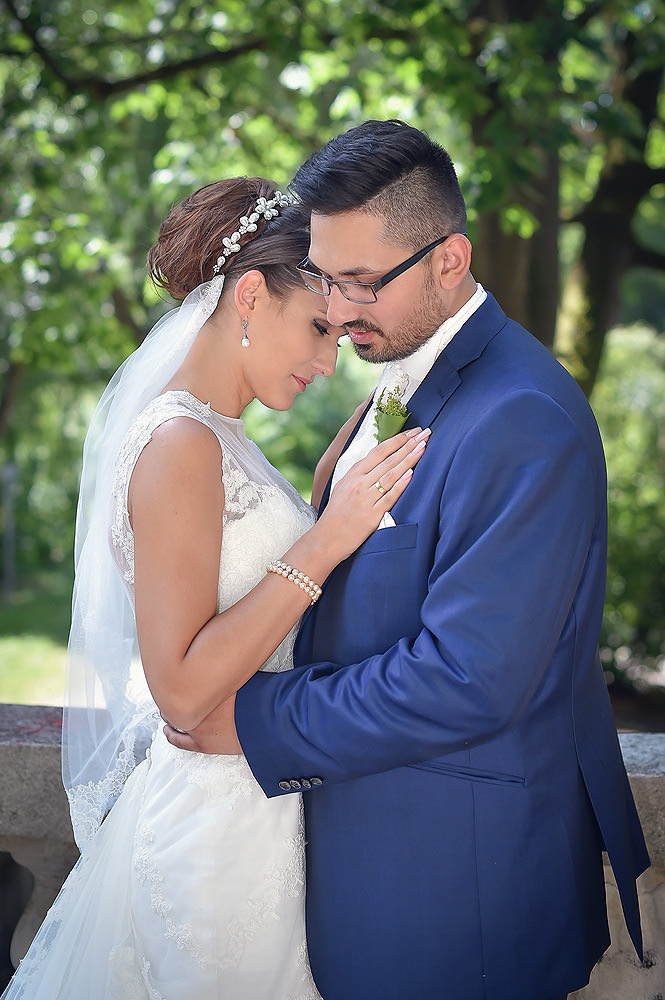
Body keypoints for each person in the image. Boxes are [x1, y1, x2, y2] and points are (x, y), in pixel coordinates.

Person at [165, 121, 650, 1000]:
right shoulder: (406, 383)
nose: (338, 310)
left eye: (361, 283)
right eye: (324, 278)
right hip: (377, 871)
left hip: (457, 893)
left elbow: (467, 677)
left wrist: (256, 720)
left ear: (448, 260)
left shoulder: (519, 415)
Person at [0, 176, 428, 1000]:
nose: (326, 361)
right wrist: (325, 539)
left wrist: (326, 494)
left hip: (257, 800)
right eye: (317, 328)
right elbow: (183, 689)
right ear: (251, 295)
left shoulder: (221, 434)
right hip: (214, 832)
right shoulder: (179, 443)